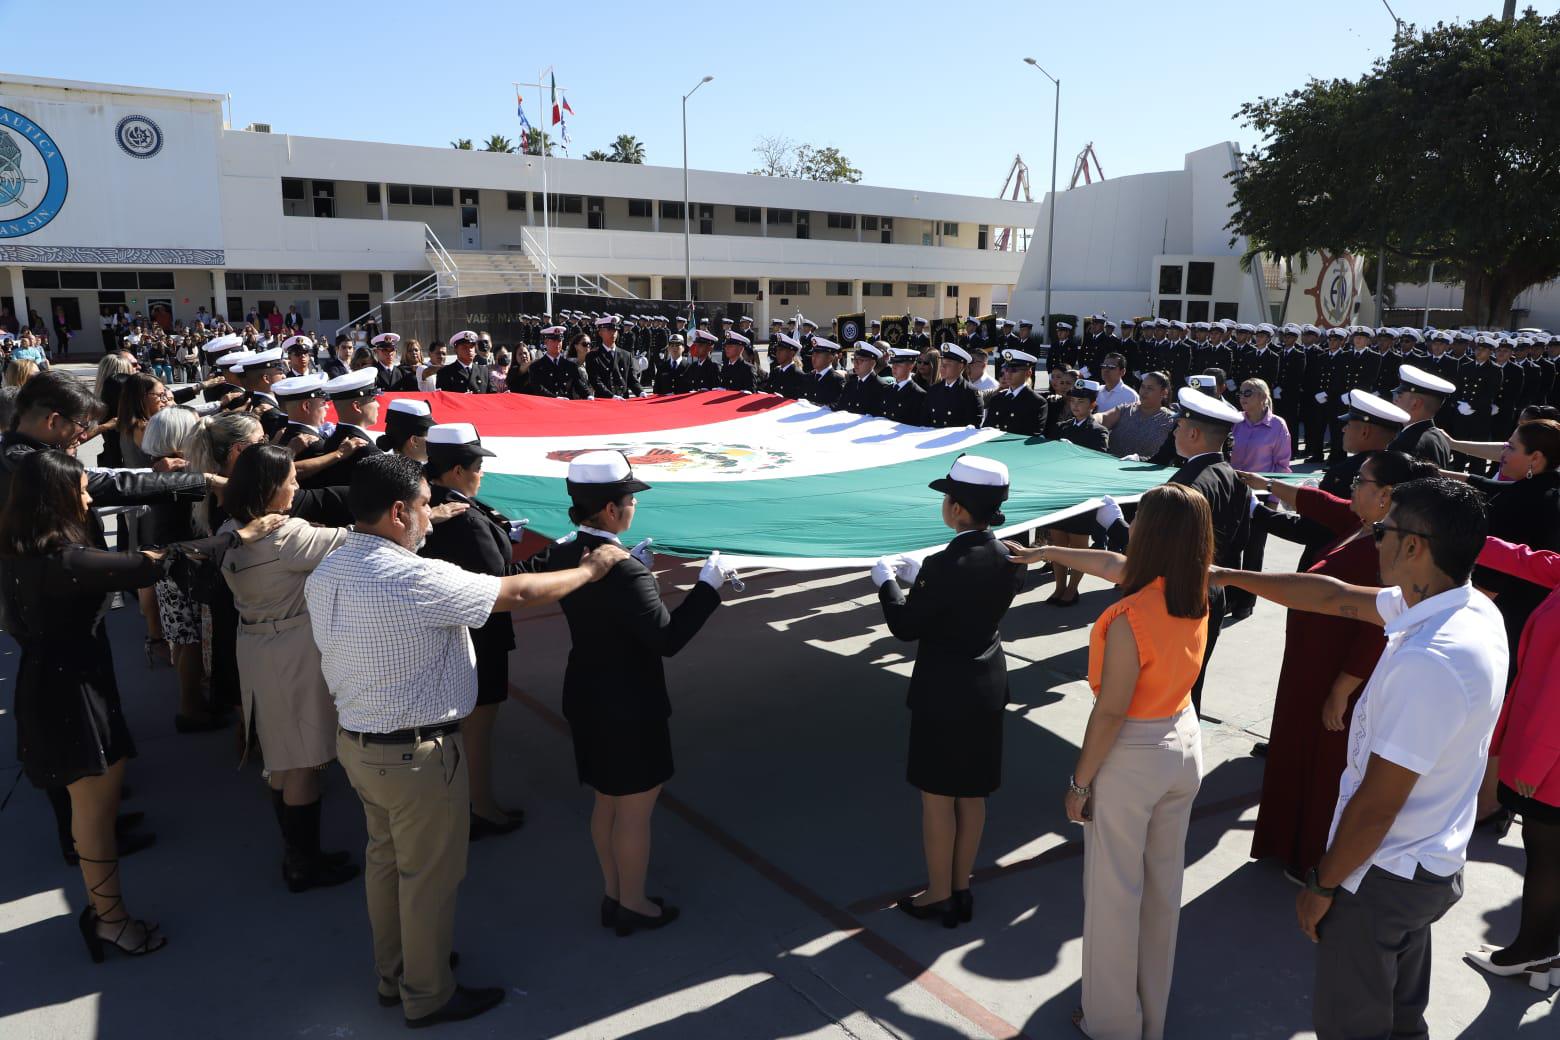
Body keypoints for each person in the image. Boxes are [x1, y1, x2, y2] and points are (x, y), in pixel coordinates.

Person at [307, 453, 624, 1026]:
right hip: (416, 756)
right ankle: (427, 993)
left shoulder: (331, 565)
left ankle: (394, 970)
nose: (434, 516)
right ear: (398, 512)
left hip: (359, 744)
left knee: (385, 863)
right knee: (429, 877)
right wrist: (590, 570)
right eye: (427, 506)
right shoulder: (412, 576)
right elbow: (519, 594)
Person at [1215, 478, 1505, 1040]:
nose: (1374, 541)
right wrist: (1226, 575)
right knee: (1399, 1017)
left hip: (1382, 877)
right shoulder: (1464, 608)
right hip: (1425, 863)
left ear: (1415, 546)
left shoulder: (1433, 660)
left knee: (1352, 1025)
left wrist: (1322, 885)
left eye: (1382, 531)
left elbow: (1377, 804)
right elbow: (1336, 597)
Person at [0, 450, 281, 962]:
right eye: (80, 491)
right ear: (54, 500)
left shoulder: (21, 551)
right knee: (95, 812)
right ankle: (109, 920)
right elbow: (152, 564)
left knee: (94, 809)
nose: (88, 498)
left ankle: (103, 909)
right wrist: (236, 537)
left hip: (55, 682)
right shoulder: (64, 560)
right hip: (72, 692)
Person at [1007, 484, 1212, 1040]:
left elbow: (1111, 713)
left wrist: (1079, 782)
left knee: (1113, 897)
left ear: (1150, 535)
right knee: (1162, 894)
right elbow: (1106, 560)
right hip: (1184, 743)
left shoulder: (1129, 615)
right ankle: (1151, 1015)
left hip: (1135, 757)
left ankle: (1112, 1024)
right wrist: (1048, 552)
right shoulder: (1191, 591)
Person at [541, 451, 725, 935]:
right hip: (628, 703)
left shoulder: (566, 551)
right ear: (609, 510)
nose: (633, 508)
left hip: (586, 691)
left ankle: (612, 893)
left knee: (607, 802)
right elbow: (668, 639)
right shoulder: (624, 572)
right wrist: (708, 588)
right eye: (629, 500)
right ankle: (634, 904)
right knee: (635, 810)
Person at [1237, 452, 1437, 875]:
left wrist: (1342, 690)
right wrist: (1264, 482)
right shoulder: (1363, 526)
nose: (1352, 486)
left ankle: (1313, 857)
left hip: (1336, 673)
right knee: (1296, 751)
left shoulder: (1388, 547)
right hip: (1310, 663)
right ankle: (1285, 843)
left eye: (1360, 481)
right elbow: (1320, 502)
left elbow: (1376, 628)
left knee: (1326, 764)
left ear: (1385, 495)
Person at [872, 456, 1024, 927]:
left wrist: (888, 585)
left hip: (944, 689)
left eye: (947, 497)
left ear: (957, 509)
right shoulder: (1011, 557)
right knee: (972, 795)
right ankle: (961, 887)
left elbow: (905, 626)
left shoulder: (940, 565)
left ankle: (940, 894)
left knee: (938, 797)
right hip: (985, 683)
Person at [219, 444, 359, 893]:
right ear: (269, 487)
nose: (297, 486)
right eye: (289, 480)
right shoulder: (288, 535)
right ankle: (303, 863)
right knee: (302, 761)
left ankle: (295, 851)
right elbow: (361, 537)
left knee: (280, 757)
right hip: (293, 649)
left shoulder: (230, 528)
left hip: (255, 644)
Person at [1100, 388, 1249, 716]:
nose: (1175, 432)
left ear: (1194, 433)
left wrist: (1115, 526)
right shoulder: (1233, 477)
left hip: (1176, 597)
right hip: (1210, 590)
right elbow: (1238, 542)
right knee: (1190, 684)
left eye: (1178, 427)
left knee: (1162, 693)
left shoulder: (1187, 485)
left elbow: (1159, 550)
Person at [418, 423, 534, 840]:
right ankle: (480, 808)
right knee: (478, 727)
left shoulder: (434, 502)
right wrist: (558, 557)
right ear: (455, 471)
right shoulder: (464, 518)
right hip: (478, 634)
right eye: (476, 465)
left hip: (451, 630)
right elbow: (499, 580)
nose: (481, 473)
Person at [1462, 537, 1560, 977]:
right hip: (1548, 756)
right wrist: (1463, 529)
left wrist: (1535, 767)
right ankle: (1544, 953)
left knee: (1545, 856)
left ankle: (1529, 954)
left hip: (1551, 763)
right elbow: (1529, 561)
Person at [1226, 378, 1292, 620]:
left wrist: (1274, 499)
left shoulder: (1277, 426)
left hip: (1261, 497)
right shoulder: (1235, 422)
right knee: (1231, 547)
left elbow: (1282, 466)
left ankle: (1246, 601)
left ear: (1264, 398)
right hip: (1233, 493)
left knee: (1254, 549)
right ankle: (1230, 596)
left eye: (1249, 393)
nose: (1242, 397)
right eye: (1242, 393)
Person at [1100, 371, 1178, 463]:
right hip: (1110, 466)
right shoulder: (1126, 409)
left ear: (1164, 393)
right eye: (1143, 386)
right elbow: (1102, 418)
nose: (1144, 392)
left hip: (1143, 474)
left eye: (1150, 388)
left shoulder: (1171, 421)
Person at [1388, 365, 1456, 467]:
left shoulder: (1405, 444)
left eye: (1400, 394)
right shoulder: (1438, 436)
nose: (1395, 399)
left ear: (1415, 403)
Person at [981, 350, 1047, 435]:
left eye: (1014, 370)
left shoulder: (1037, 402)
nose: (1007, 373)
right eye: (1006, 369)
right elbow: (986, 429)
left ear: (1028, 373)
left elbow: (1032, 435)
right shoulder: (997, 398)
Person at [924, 344, 983, 428]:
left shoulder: (970, 393)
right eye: (942, 363)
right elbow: (925, 420)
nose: (942, 367)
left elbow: (973, 426)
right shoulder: (934, 390)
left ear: (961, 366)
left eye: (948, 363)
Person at [833, 342, 889, 416]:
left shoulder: (881, 387)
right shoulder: (850, 384)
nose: (856, 363)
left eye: (861, 360)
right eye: (854, 359)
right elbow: (839, 408)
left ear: (872, 363)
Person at [881, 347, 929, 425]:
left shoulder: (919, 395)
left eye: (899, 364)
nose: (894, 367)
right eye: (893, 363)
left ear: (911, 366)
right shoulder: (886, 389)